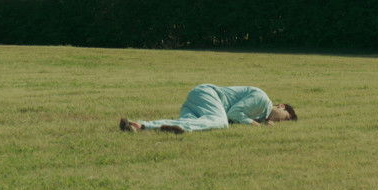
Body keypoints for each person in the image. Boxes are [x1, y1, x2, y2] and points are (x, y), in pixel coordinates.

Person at [119, 84, 297, 133]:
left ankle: (139, 126)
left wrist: (261, 122)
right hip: (208, 94)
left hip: (198, 100)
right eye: (286, 116)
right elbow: (233, 113)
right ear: (281, 106)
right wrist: (254, 124)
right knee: (220, 123)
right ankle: (148, 126)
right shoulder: (263, 100)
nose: (283, 120)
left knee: (187, 122)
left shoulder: (261, 115)